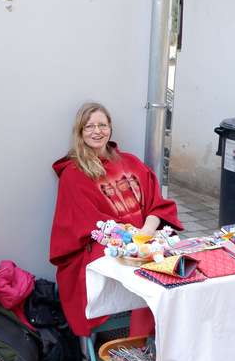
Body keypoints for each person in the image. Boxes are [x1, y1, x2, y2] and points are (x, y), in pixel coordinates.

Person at [48, 102, 182, 340]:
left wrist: (146, 231)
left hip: (146, 240)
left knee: (176, 273)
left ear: (110, 128)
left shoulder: (130, 163)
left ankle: (163, 340)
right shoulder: (74, 174)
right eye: (89, 126)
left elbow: (157, 204)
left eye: (102, 125)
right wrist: (133, 240)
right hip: (106, 246)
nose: (97, 131)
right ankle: (139, 344)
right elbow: (88, 224)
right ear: (80, 131)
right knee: (145, 278)